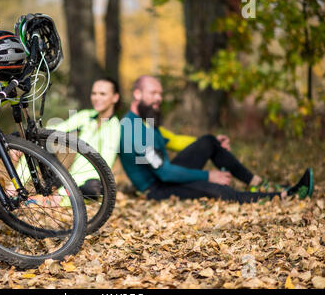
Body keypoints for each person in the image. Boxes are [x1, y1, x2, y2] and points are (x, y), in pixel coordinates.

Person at [119, 75, 314, 204]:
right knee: (218, 191)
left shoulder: (145, 122)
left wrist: (214, 144)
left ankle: (256, 182)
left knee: (208, 141)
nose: (159, 98)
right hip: (157, 189)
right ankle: (284, 196)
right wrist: (207, 176)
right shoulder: (132, 130)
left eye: (160, 93)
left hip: (163, 175)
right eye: (153, 93)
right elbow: (165, 173)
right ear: (137, 94)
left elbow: (174, 141)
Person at [46, 77, 121, 196]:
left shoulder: (115, 127)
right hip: (70, 180)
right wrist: (22, 137)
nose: (97, 98)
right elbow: (52, 130)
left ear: (115, 98)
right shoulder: (85, 116)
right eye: (94, 93)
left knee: (92, 188)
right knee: (36, 142)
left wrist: (63, 192)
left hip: (89, 183)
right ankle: (15, 189)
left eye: (103, 94)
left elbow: (103, 167)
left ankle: (64, 196)